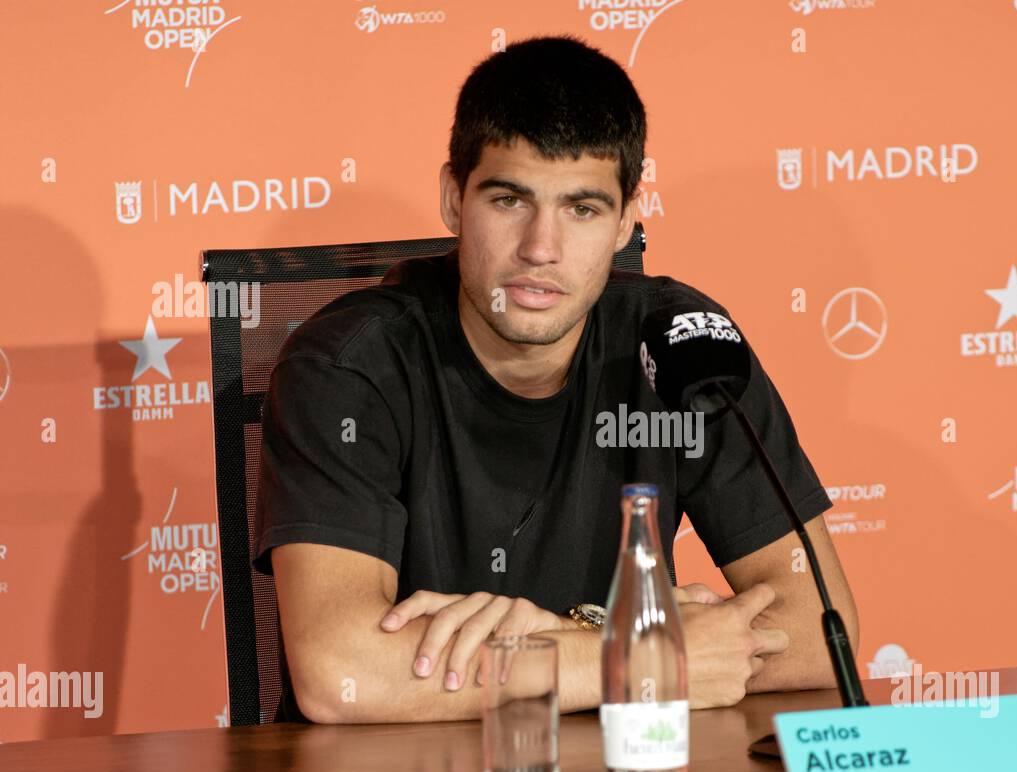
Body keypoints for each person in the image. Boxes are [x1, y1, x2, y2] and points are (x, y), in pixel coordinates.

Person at [253, 34, 858, 723]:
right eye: (509, 201)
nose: (541, 249)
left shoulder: (681, 346)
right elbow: (342, 673)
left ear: (627, 219)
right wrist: (645, 657)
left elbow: (819, 634)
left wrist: (559, 642)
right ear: (454, 198)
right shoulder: (348, 364)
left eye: (583, 209)